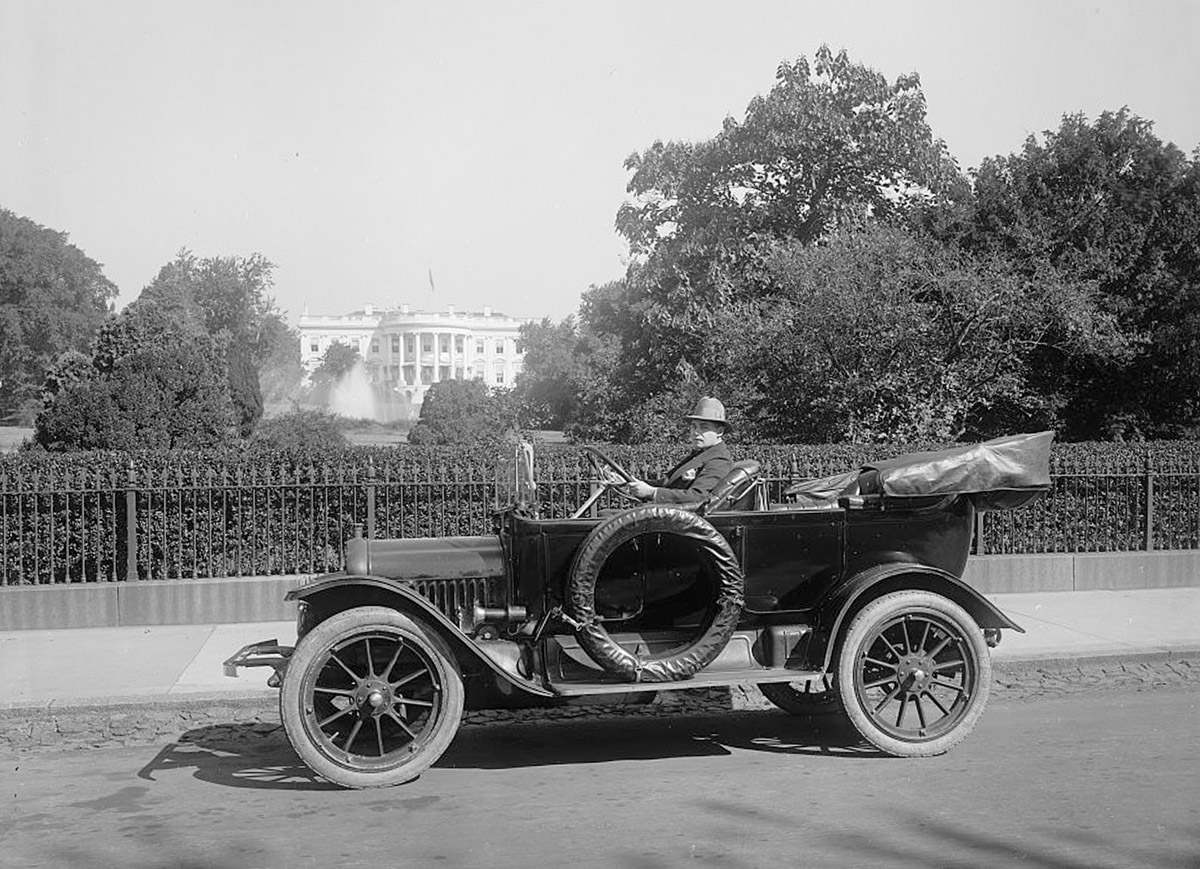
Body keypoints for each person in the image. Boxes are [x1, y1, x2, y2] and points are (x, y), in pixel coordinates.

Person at [623, 397, 734, 504]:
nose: (696, 432)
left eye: (704, 427)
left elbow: (698, 497)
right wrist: (634, 483)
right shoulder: (702, 454)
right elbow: (667, 482)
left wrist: (652, 492)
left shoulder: (720, 460)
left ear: (719, 432)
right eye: (694, 427)